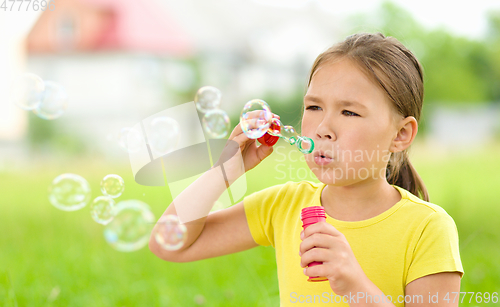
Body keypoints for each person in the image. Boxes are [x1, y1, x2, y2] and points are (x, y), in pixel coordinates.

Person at [149, 33, 464, 307]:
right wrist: (225, 171)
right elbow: (169, 244)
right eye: (314, 107)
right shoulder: (284, 207)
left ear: (401, 135)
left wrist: (355, 285)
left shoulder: (428, 229)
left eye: (350, 112)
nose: (323, 128)